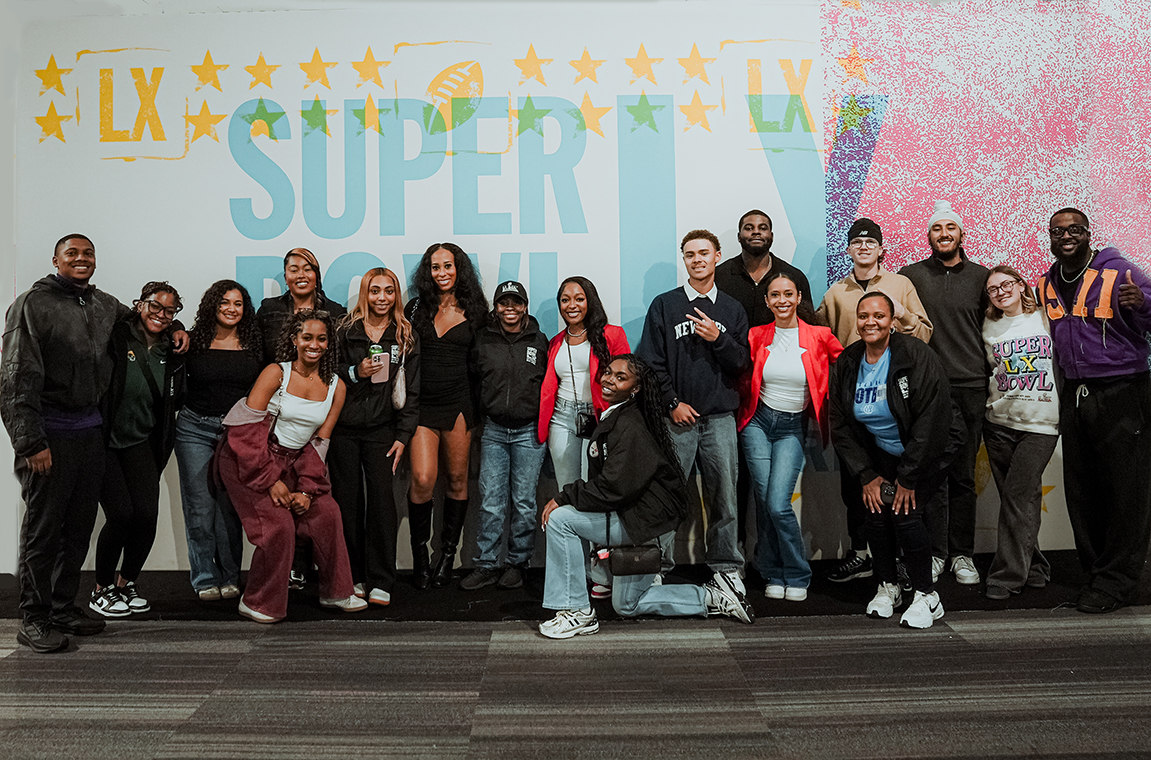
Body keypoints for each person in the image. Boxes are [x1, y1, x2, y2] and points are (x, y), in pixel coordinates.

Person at [1, 234, 187, 653]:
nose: (81, 259)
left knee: (79, 528)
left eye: (88, 253)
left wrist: (177, 328)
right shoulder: (32, 304)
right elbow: (15, 377)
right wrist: (30, 441)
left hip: (90, 433)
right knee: (42, 530)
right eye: (73, 253)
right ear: (56, 259)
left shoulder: (104, 304)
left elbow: (146, 318)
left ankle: (64, 607)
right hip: (49, 433)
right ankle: (33, 618)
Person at [538, 354, 754, 638]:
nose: (608, 380)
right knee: (628, 604)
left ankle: (577, 610)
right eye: (608, 373)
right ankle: (713, 598)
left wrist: (565, 496)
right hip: (640, 518)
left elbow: (613, 487)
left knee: (560, 519)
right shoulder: (621, 414)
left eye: (620, 378)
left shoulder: (631, 424)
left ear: (635, 388)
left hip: (640, 521)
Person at [1035, 208, 1151, 613]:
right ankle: (1095, 575)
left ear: (1088, 234)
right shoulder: (1047, 282)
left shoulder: (1121, 272)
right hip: (1075, 392)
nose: (1066, 236)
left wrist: (1143, 305)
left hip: (1122, 391)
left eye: (1074, 230)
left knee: (1126, 493)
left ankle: (1118, 582)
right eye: (1058, 231)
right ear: (1050, 237)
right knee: (1082, 491)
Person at [216, 309, 365, 623]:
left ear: (329, 344)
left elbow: (319, 444)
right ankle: (256, 601)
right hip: (249, 458)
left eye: (321, 338)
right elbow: (244, 431)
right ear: (295, 340)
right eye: (307, 337)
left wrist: (309, 490)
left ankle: (336, 591)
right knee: (279, 526)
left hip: (296, 463)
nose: (314, 344)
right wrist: (271, 480)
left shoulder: (337, 386)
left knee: (327, 513)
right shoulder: (276, 373)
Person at [829, 293, 962, 629]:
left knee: (906, 513)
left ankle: (926, 596)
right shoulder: (848, 362)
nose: (869, 322)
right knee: (875, 512)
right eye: (863, 316)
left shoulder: (914, 355)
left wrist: (908, 478)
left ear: (892, 321)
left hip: (931, 448)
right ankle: (888, 586)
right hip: (885, 451)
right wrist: (867, 474)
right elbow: (840, 424)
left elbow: (931, 422)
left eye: (878, 316)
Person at [817, 218, 933, 584]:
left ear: (882, 249)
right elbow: (823, 337)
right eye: (857, 242)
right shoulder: (836, 293)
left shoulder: (901, 284)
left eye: (871, 242)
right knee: (857, 482)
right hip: (856, 398)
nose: (864, 247)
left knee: (901, 485)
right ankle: (861, 552)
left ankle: (901, 559)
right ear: (848, 249)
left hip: (895, 401)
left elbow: (926, 333)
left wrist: (901, 313)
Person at [637, 229, 750, 598]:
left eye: (704, 253)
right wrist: (672, 403)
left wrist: (717, 339)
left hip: (719, 419)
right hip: (677, 420)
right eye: (690, 254)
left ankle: (725, 568)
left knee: (724, 498)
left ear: (718, 256)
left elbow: (741, 364)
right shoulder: (665, 305)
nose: (697, 259)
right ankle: (656, 567)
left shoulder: (732, 309)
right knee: (667, 495)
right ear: (683, 259)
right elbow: (650, 364)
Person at [899, 200, 990, 586]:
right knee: (932, 476)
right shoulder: (911, 276)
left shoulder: (983, 277)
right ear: (930, 236)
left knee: (964, 476)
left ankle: (963, 555)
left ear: (961, 235)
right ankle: (936, 553)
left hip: (971, 386)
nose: (944, 235)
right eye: (937, 229)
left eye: (950, 228)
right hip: (930, 390)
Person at [738, 272, 843, 601]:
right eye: (774, 295)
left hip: (793, 426)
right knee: (764, 499)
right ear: (767, 301)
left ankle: (796, 572)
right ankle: (772, 570)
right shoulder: (756, 335)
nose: (782, 300)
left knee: (777, 502)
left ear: (799, 298)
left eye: (788, 294)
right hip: (757, 422)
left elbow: (849, 367)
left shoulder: (820, 336)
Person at [89, 282, 186, 618]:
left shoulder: (171, 352)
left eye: (170, 311)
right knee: (121, 515)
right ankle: (100, 589)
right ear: (139, 305)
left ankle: (124, 582)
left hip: (142, 442)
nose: (161, 315)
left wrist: (177, 327)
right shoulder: (116, 336)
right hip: (104, 442)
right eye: (155, 307)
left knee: (146, 516)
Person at [255, 247, 347, 590]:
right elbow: (259, 353)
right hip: (278, 414)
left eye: (307, 268)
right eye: (292, 269)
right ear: (286, 275)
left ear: (317, 274)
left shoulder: (335, 312)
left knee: (313, 493)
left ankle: (316, 568)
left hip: (316, 411)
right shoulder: (269, 310)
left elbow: (339, 361)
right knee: (280, 499)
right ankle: (291, 568)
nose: (300, 275)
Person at [330, 268, 420, 607]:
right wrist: (357, 372)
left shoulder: (405, 335)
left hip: (384, 431)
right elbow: (325, 373)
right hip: (344, 429)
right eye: (375, 291)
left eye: (388, 291)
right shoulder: (344, 330)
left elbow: (413, 390)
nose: (381, 297)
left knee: (383, 504)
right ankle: (352, 576)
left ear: (396, 295)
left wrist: (403, 435)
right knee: (346, 504)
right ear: (365, 294)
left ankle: (382, 578)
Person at [537, 276, 630, 598]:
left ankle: (602, 572)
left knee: (596, 495)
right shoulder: (555, 342)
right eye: (565, 299)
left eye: (578, 298)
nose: (571, 305)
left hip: (599, 421)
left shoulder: (611, 335)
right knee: (568, 498)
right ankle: (573, 575)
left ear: (590, 300)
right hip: (562, 420)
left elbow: (629, 380)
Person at [405, 243, 488, 588]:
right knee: (423, 480)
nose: (442, 273)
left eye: (448, 266)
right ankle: (420, 556)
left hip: (460, 403)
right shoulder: (415, 309)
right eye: (435, 267)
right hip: (423, 404)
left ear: (460, 269)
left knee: (456, 481)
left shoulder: (478, 311)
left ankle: (447, 556)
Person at [175, 280, 263, 602]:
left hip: (237, 433)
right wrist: (175, 327)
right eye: (225, 302)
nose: (231, 309)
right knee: (199, 509)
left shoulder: (255, 342)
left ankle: (230, 576)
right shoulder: (194, 340)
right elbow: (170, 328)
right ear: (213, 304)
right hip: (194, 429)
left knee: (229, 511)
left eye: (238, 303)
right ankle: (203, 577)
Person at [459, 281, 549, 591]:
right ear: (496, 307)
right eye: (503, 303)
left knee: (524, 503)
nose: (509, 309)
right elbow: (472, 380)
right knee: (491, 501)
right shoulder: (482, 339)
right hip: (494, 430)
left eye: (516, 303)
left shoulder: (540, 341)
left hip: (529, 432)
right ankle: (486, 564)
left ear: (525, 306)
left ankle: (517, 563)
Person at [981, 265, 1059, 601]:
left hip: (1040, 424)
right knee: (1022, 500)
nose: (1000, 292)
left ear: (1021, 285)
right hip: (999, 422)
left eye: (1006, 284)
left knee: (1017, 497)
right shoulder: (987, 324)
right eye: (992, 289)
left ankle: (1007, 576)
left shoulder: (1045, 319)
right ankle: (1036, 567)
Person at [714, 209, 813, 328]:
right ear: (739, 237)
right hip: (729, 346)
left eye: (763, 228)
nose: (756, 232)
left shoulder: (794, 277)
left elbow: (807, 326)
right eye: (749, 228)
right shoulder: (719, 275)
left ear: (771, 236)